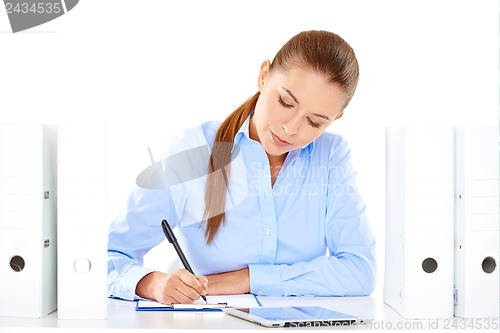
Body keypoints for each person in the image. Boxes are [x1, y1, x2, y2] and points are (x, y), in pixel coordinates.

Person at [107, 30, 376, 305]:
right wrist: (152, 283)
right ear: (263, 75)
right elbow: (109, 255)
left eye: (315, 122)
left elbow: (359, 271)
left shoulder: (331, 157)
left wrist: (246, 279)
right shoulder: (193, 151)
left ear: (336, 117)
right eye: (285, 102)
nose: (290, 128)